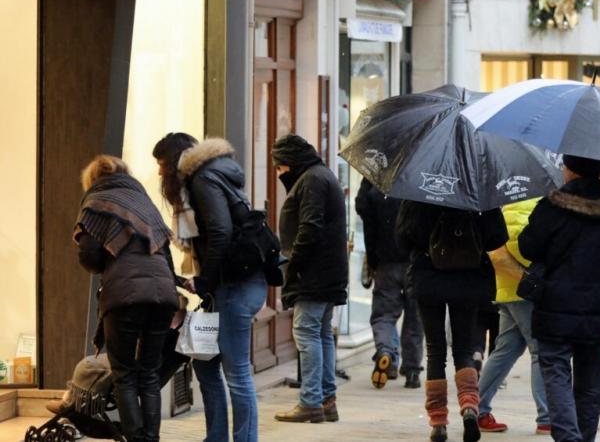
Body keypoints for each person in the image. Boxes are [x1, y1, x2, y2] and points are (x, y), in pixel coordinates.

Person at [153, 134, 268, 442]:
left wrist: (204, 281)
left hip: (234, 288)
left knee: (237, 372)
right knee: (205, 365)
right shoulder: (214, 175)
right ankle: (215, 437)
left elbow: (220, 232)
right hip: (229, 287)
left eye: (162, 165)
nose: (160, 173)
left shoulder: (203, 180)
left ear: (176, 161)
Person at [518, 155, 600, 442]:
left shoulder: (551, 206)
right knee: (589, 380)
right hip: (597, 309)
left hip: (555, 306)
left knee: (556, 374)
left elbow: (529, 247)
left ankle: (569, 438)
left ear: (570, 170)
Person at [74, 155, 179, 442]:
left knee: (124, 374)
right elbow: (165, 251)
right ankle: (151, 438)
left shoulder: (96, 202)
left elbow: (89, 256)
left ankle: (135, 438)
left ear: (92, 178)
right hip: (162, 296)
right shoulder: (145, 203)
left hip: (124, 298)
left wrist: (106, 264)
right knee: (150, 373)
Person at [396, 200, 508, 442]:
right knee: (464, 349)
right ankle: (469, 407)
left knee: (435, 351)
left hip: (428, 278)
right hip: (469, 279)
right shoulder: (478, 193)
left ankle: (438, 422)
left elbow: (403, 238)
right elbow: (498, 237)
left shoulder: (421, 191)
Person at [271, 134, 348, 424]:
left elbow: (310, 227)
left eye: (279, 167)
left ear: (289, 163)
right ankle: (327, 401)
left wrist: (294, 265)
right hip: (328, 271)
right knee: (322, 334)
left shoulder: (312, 180)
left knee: (306, 333)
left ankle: (310, 402)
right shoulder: (321, 175)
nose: (279, 174)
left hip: (314, 273)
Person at [476, 198, 551, 435]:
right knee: (541, 350)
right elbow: (523, 248)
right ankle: (547, 417)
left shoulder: (505, 206)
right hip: (525, 291)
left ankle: (476, 409)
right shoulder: (531, 207)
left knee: (505, 350)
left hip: (507, 291)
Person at [355, 178, 424, 389]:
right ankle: (412, 371)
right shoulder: (418, 177)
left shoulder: (376, 177)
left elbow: (362, 207)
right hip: (415, 262)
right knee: (415, 318)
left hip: (386, 262)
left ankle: (387, 353)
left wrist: (373, 260)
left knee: (384, 315)